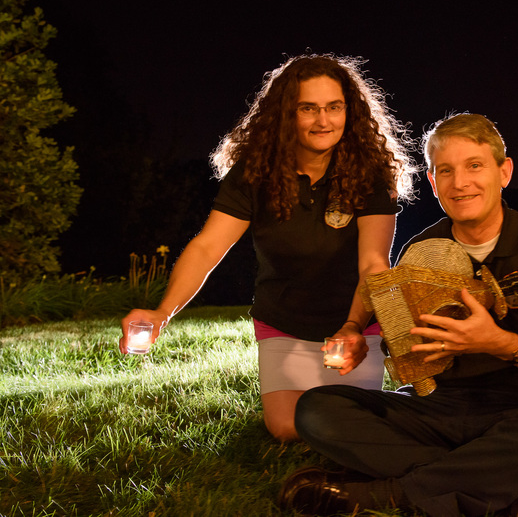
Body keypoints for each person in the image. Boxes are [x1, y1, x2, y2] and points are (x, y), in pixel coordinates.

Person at [280, 113, 518, 516]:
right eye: (445, 171)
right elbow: (392, 316)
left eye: (474, 166)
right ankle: (498, 486)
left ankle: (388, 494)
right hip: (439, 408)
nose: (459, 182)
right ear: (433, 182)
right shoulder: (422, 249)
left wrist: (499, 343)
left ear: (504, 172)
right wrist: (355, 330)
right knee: (317, 410)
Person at [119, 54, 416, 441]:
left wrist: (353, 327)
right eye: (308, 108)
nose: (323, 120)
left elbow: (374, 263)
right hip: (284, 326)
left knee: (350, 419)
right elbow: (208, 247)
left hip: (354, 327)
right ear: (286, 114)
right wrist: (163, 312)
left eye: (334, 107)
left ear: (350, 111)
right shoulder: (254, 173)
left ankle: (405, 404)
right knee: (287, 428)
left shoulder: (371, 174)